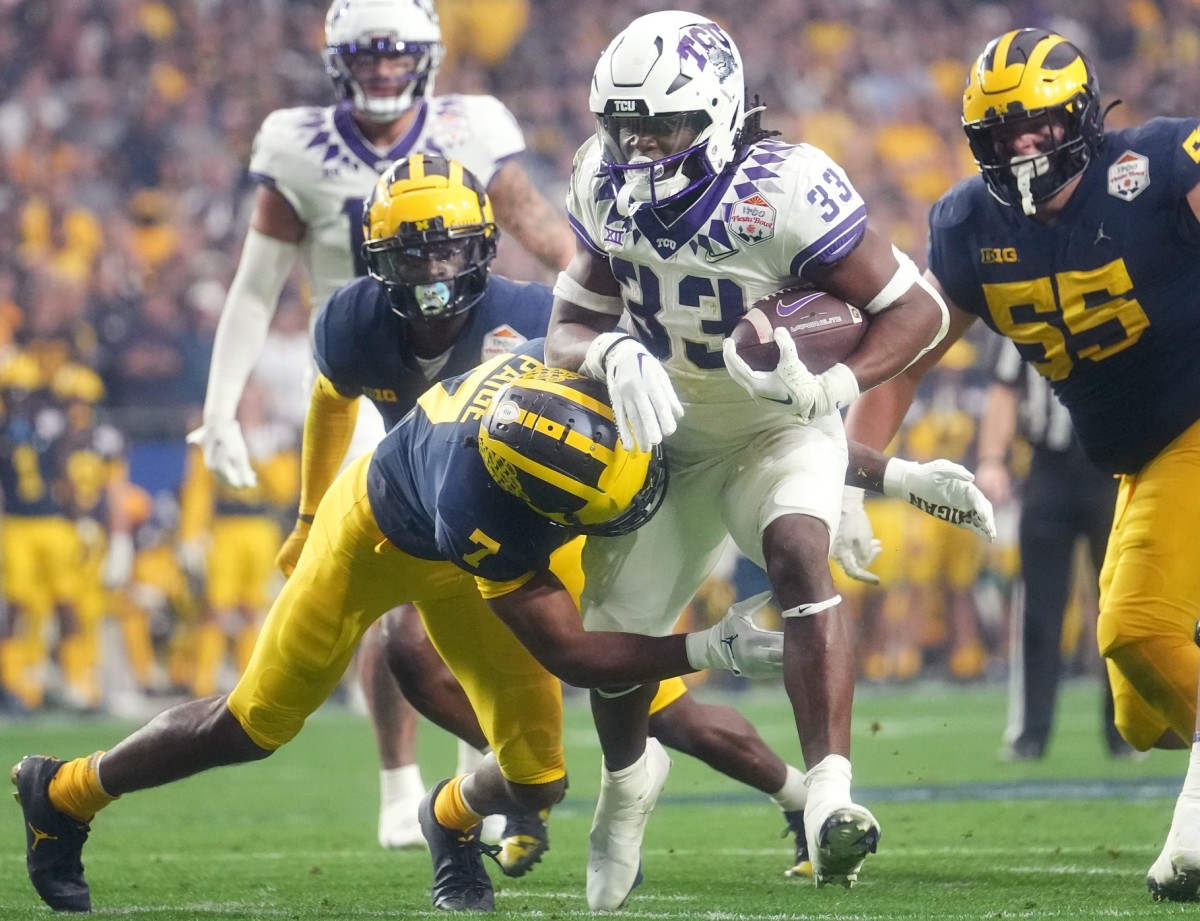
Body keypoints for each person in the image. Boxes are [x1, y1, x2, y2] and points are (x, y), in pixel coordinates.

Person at [281, 150, 990, 882]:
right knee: (418, 652)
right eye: (412, 253)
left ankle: (795, 795)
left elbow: (710, 413)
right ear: (379, 260)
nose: (432, 270)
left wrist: (888, 475)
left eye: (446, 249)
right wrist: (308, 516)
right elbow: (333, 399)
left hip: (568, 524)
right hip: (465, 521)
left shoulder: (530, 315)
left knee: (658, 703)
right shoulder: (355, 323)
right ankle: (509, 786)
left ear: (480, 246)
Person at [12, 343, 791, 915]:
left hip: (460, 522)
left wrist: (614, 347)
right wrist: (707, 645)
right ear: (536, 503)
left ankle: (447, 818)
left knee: (536, 779)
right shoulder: (484, 515)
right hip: (373, 537)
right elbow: (571, 653)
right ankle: (64, 792)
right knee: (253, 721)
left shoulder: (563, 393)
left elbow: (570, 323)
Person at [541, 9, 970, 902]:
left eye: (662, 124)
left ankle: (830, 795)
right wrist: (612, 350)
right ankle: (627, 786)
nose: (640, 145)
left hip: (776, 426)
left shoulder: (788, 187)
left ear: (721, 113)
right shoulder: (598, 179)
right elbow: (569, 328)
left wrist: (839, 384)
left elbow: (916, 310)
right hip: (661, 435)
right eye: (624, 125)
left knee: (797, 551)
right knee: (617, 633)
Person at [185, 0, 576, 850]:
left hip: (471, 381)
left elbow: (542, 233)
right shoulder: (297, 144)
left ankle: (496, 767)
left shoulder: (472, 129)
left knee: (476, 595)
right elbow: (256, 286)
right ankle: (405, 787)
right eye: (366, 51)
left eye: (399, 49)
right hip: (364, 380)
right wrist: (220, 406)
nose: (384, 65)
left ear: (429, 55)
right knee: (384, 607)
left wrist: (608, 319)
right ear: (336, 59)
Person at [840, 28, 1200, 902]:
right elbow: (909, 356)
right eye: (1001, 134)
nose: (1021, 147)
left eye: (1036, 127)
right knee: (1139, 712)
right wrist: (854, 470)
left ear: (1079, 117)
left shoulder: (1160, 166)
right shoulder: (968, 225)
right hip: (1136, 459)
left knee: (1134, 629)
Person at [975, 338, 1127, 761]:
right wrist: (991, 458)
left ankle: (1126, 728)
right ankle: (1030, 732)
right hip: (1048, 469)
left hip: (1113, 468)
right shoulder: (1024, 303)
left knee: (1122, 603)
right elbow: (1005, 386)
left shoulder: (1121, 296)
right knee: (1039, 610)